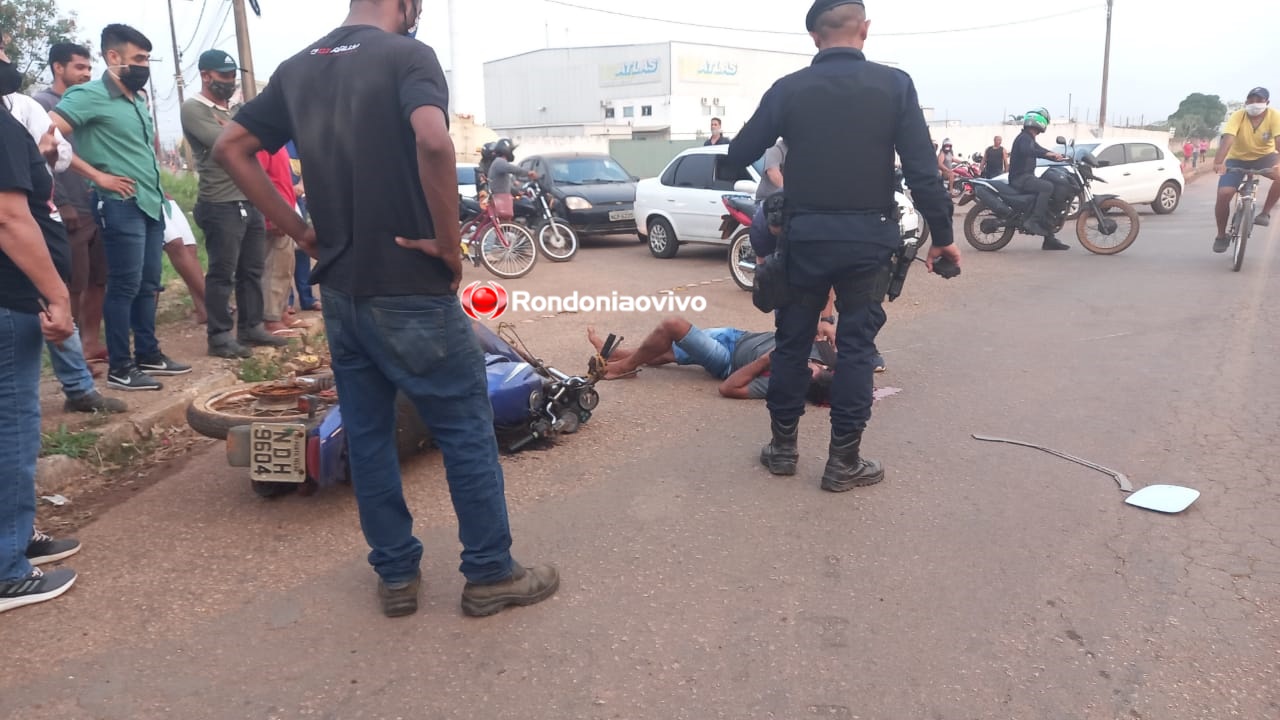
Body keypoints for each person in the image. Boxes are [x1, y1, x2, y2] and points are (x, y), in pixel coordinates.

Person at [212, 0, 559, 619]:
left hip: (341, 289)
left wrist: (299, 229)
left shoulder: (298, 67)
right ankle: (489, 573)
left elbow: (230, 147)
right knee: (464, 428)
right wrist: (451, 246)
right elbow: (433, 140)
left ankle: (396, 576)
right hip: (410, 284)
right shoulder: (409, 56)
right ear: (406, 4)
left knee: (369, 435)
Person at [722, 0, 959, 492]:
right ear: (865, 31)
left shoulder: (789, 89)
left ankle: (783, 450)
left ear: (814, 38)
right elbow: (921, 170)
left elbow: (737, 154)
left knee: (791, 344)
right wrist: (944, 239)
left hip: (804, 238)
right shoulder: (895, 85)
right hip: (868, 238)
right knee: (856, 349)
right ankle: (842, 462)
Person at [48, 23, 192, 391]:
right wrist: (97, 176)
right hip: (118, 204)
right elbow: (46, 135)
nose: (144, 65)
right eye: (138, 58)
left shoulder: (136, 99)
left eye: (146, 58)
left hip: (149, 203)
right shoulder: (89, 96)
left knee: (148, 284)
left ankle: (148, 354)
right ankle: (121, 367)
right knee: (123, 285)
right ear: (113, 58)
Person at [0, 46, 82, 613]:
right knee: (13, 427)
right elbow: (9, 217)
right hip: (8, 300)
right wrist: (56, 294)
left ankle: (18, 531)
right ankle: (7, 567)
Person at [8, 77, 124, 414]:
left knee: (50, 297)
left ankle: (78, 387)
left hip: (33, 212)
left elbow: (60, 154)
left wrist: (40, 155)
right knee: (42, 301)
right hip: (13, 218)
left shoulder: (23, 106)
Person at [181, 49, 286, 358]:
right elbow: (230, 142)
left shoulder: (234, 108)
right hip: (220, 202)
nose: (230, 81)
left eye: (232, 76)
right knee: (222, 272)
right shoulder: (193, 108)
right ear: (206, 75)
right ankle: (220, 335)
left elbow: (259, 136)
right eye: (224, 75)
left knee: (251, 269)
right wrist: (241, 128)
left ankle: (251, 327)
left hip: (247, 197)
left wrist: (239, 127)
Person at [32, 42, 108, 363]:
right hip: (69, 206)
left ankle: (90, 343)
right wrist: (62, 202)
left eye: (89, 68)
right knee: (73, 284)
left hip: (98, 202)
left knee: (99, 279)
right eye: (79, 67)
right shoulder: (42, 106)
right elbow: (44, 158)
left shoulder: (89, 104)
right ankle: (73, 355)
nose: (86, 73)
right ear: (58, 68)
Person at [586, 321, 835, 402]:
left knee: (673, 326)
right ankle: (614, 355)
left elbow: (728, 388)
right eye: (809, 368)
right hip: (736, 336)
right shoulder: (824, 352)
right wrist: (823, 323)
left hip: (727, 360)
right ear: (822, 366)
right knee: (664, 352)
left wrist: (764, 361)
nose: (800, 369)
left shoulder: (782, 383)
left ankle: (623, 368)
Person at [1212, 87, 1280, 252]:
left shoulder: (1274, 116)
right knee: (1224, 194)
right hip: (1238, 159)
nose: (1254, 104)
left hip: (1265, 157)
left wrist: (1278, 163)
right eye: (1251, 100)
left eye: (1259, 100)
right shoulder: (1238, 116)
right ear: (1246, 102)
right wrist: (1219, 161)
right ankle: (1221, 235)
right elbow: (1228, 139)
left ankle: (1265, 213)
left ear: (1267, 102)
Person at [256, 143, 304, 335]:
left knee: (286, 266)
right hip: (274, 214)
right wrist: (272, 214)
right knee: (274, 268)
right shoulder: (262, 145)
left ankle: (282, 311)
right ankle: (271, 318)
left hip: (286, 211)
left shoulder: (279, 145)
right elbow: (258, 180)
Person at [1009, 107, 1070, 250]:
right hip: (1020, 178)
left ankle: (1049, 239)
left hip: (1026, 177)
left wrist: (1056, 156)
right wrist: (1048, 155)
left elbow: (1040, 150)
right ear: (1039, 122)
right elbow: (1028, 151)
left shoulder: (1029, 138)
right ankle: (1033, 221)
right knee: (1047, 187)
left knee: (1048, 194)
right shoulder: (1024, 138)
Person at [161, 195, 208, 324]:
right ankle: (214, 303)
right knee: (175, 244)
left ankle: (203, 310)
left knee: (190, 248)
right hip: (142, 196)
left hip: (164, 197)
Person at [485, 137, 535, 220]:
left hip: (502, 198)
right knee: (502, 222)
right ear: (506, 150)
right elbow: (513, 169)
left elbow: (506, 185)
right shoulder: (499, 162)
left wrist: (517, 192)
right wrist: (528, 173)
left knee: (504, 223)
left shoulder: (500, 163)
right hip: (500, 199)